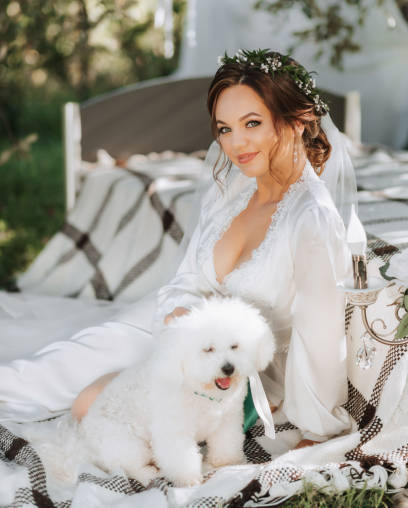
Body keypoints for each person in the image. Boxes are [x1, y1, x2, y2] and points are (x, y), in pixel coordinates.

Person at [0, 49, 355, 450]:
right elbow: (187, 277)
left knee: (90, 405)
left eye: (251, 123)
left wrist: (315, 432)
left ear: (294, 120)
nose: (236, 144)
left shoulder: (311, 219)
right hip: (172, 325)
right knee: (55, 366)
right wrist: (178, 311)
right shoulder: (231, 193)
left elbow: (321, 339)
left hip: (230, 367)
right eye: (224, 129)